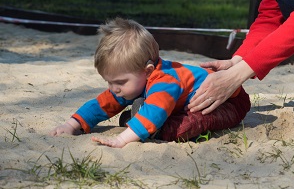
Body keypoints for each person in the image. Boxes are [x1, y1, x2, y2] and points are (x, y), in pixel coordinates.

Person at [50, 18, 251, 147]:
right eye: (108, 82)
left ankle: (144, 123)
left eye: (119, 82)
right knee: (148, 113)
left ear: (147, 71)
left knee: (181, 127)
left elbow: (156, 111)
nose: (113, 88)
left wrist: (122, 139)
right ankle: (139, 119)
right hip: (186, 101)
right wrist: (72, 124)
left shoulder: (164, 81)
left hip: (228, 101)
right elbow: (103, 103)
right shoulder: (132, 81)